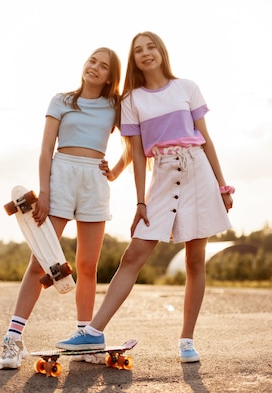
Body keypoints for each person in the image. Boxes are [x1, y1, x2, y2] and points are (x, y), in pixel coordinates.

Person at [56, 32, 235, 363]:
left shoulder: (187, 88)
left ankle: (186, 340)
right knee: (133, 255)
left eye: (150, 46)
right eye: (138, 50)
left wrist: (222, 186)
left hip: (198, 173)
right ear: (134, 60)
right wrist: (139, 201)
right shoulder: (131, 101)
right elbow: (136, 152)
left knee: (195, 260)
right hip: (163, 175)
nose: (145, 53)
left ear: (162, 51)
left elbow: (205, 139)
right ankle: (93, 333)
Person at [0, 47, 130, 369]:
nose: (94, 68)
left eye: (103, 66)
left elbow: (134, 145)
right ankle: (13, 341)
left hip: (94, 184)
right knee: (41, 262)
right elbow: (45, 150)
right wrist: (44, 191)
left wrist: (114, 172)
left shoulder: (115, 106)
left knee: (87, 264)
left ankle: (85, 337)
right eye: (91, 61)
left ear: (111, 76)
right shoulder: (62, 101)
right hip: (61, 177)